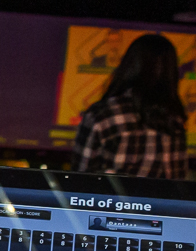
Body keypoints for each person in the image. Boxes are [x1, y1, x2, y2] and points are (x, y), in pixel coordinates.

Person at [73, 32, 189, 179]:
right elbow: (178, 184)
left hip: (108, 202)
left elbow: (79, 180)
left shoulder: (102, 113)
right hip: (156, 202)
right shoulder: (174, 119)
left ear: (129, 64)